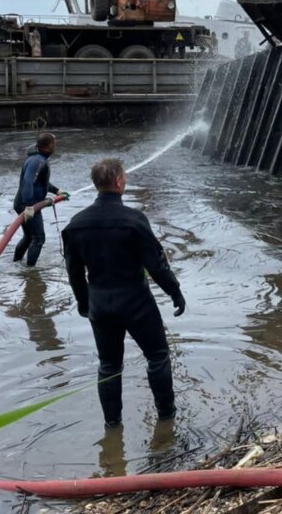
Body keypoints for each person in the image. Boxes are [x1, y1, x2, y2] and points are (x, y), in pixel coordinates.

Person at [62, 158, 186, 427]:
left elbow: (74, 272)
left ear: (96, 184)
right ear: (119, 181)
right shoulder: (134, 220)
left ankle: (112, 426)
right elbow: (156, 265)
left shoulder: (76, 224)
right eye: (125, 177)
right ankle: (167, 418)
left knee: (109, 366)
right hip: (137, 302)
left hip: (101, 305)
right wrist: (175, 292)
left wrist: (84, 303)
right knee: (157, 357)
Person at [13, 132, 65, 267]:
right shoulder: (36, 161)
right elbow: (28, 182)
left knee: (29, 237)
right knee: (38, 239)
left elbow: (40, 183)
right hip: (27, 205)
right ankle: (30, 272)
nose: (55, 146)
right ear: (47, 147)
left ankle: (16, 264)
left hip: (24, 204)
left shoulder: (39, 159)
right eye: (53, 144)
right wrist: (30, 206)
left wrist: (57, 191)